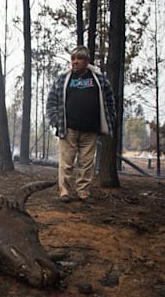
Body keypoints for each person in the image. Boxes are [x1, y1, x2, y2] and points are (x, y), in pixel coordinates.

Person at [46, 45, 116, 203]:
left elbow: (110, 101)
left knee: (86, 163)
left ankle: (83, 192)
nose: (75, 62)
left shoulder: (98, 79)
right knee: (66, 162)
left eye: (79, 59)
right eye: (73, 59)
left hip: (90, 129)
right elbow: (51, 102)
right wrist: (56, 120)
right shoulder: (64, 78)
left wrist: (109, 119)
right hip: (68, 128)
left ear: (87, 61)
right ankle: (64, 191)